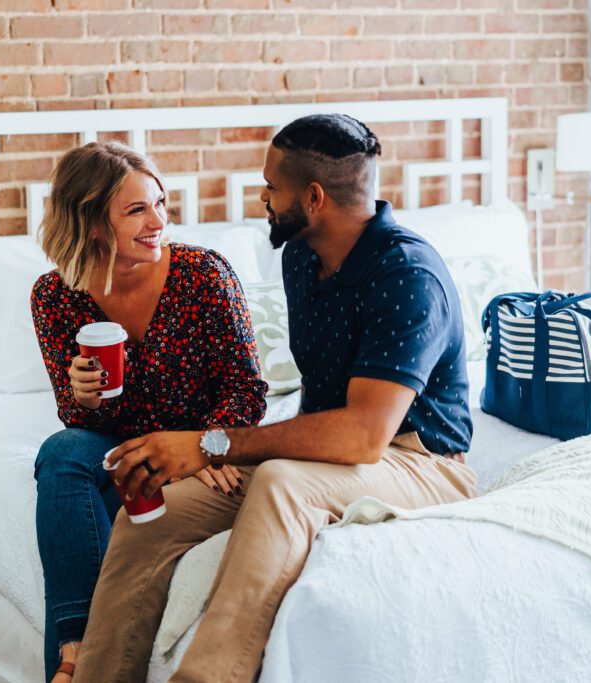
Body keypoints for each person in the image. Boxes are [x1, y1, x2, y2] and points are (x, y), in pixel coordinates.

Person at [72, 115, 479, 683]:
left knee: (281, 482)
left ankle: (208, 675)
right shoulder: (300, 257)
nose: (262, 198)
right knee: (153, 515)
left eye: (271, 188)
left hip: (420, 461)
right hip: (323, 451)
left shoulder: (406, 275)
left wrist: (214, 445)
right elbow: (323, 424)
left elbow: (364, 437)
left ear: (313, 199)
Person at [30, 141, 267, 682]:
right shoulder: (55, 296)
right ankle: (77, 649)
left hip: (196, 449)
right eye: (136, 209)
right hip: (119, 451)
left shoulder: (203, 274)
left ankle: (70, 669)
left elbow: (247, 386)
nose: (158, 220)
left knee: (70, 461)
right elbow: (77, 417)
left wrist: (208, 446)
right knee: (62, 454)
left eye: (160, 202)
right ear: (92, 222)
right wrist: (83, 396)